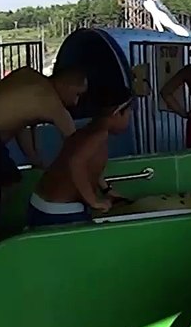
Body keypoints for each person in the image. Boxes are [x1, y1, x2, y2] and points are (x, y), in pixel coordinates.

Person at [0, 64, 87, 257]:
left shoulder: (28, 77)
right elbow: (78, 147)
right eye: (77, 94)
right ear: (67, 86)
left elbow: (22, 125)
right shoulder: (52, 104)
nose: (76, 103)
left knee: (10, 181)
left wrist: (36, 160)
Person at [27, 87, 134, 229]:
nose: (130, 116)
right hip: (60, 211)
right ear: (116, 113)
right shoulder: (98, 135)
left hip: (41, 204)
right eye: (129, 112)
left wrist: (107, 190)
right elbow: (75, 162)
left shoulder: (86, 131)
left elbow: (87, 165)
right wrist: (93, 201)